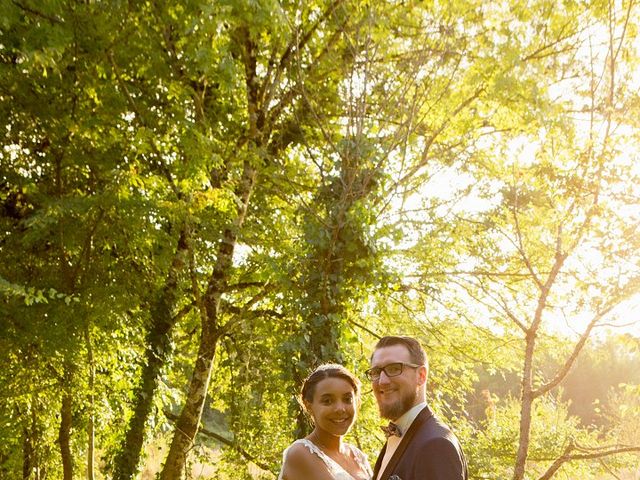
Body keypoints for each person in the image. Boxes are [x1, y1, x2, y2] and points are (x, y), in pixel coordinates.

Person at [367, 336, 468, 480]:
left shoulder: (436, 446)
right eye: (376, 372)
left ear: (421, 375)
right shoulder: (400, 435)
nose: (382, 381)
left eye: (394, 368)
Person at [278, 364, 373, 480]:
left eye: (347, 399)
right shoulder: (300, 453)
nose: (340, 409)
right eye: (327, 401)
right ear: (309, 406)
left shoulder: (357, 456)